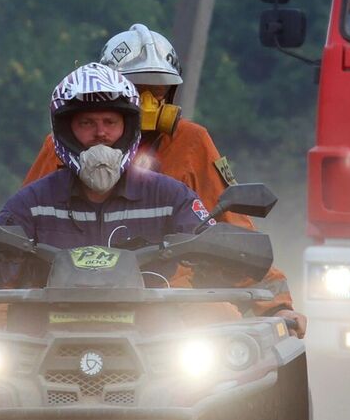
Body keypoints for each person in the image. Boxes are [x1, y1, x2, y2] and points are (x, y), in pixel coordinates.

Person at [22, 25, 305, 335]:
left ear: (170, 93)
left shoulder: (192, 142)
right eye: (136, 87)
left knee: (236, 346)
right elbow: (16, 234)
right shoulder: (63, 145)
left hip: (169, 289)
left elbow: (233, 233)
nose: (146, 101)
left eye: (156, 91)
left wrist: (277, 306)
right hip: (65, 289)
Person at [0, 63, 214, 253]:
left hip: (156, 301)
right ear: (66, 130)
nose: (100, 133)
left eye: (110, 122)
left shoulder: (172, 197)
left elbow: (215, 251)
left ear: (128, 128)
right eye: (87, 123)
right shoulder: (31, 203)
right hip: (60, 301)